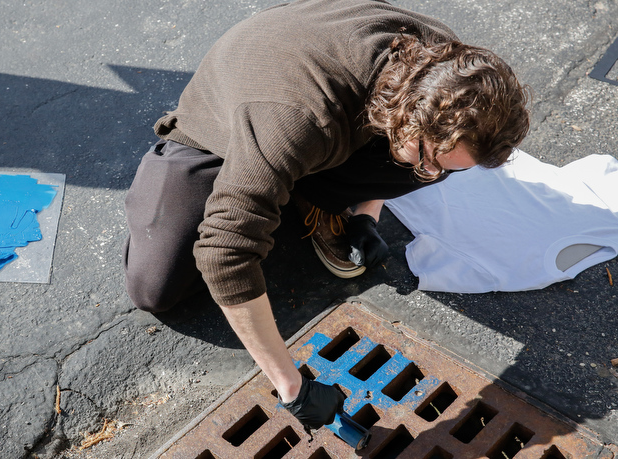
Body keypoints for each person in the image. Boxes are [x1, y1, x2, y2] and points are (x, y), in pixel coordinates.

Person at [122, 0, 530, 431]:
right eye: (432, 160)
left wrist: (367, 213)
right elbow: (225, 253)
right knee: (155, 286)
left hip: (318, 111)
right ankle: (254, 178)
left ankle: (309, 193)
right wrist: (291, 385)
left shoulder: (449, 71)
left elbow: (421, 159)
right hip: (223, 127)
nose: (432, 176)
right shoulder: (300, 120)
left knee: (424, 164)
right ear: (406, 115)